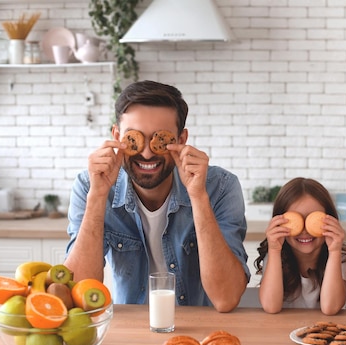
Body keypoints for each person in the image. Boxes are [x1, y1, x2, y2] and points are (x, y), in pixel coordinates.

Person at [64, 80, 249, 312]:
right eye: (134, 138)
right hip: (131, 332)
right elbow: (78, 292)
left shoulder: (220, 187)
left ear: (181, 140)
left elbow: (227, 298)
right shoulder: (90, 185)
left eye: (160, 139)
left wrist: (198, 197)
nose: (147, 152)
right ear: (116, 135)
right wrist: (98, 197)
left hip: (201, 330)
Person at [254, 178, 346, 315]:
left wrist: (334, 251)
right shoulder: (275, 256)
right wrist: (273, 250)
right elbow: (271, 307)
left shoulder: (340, 257)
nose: (305, 230)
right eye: (295, 219)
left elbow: (330, 308)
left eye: (313, 219)